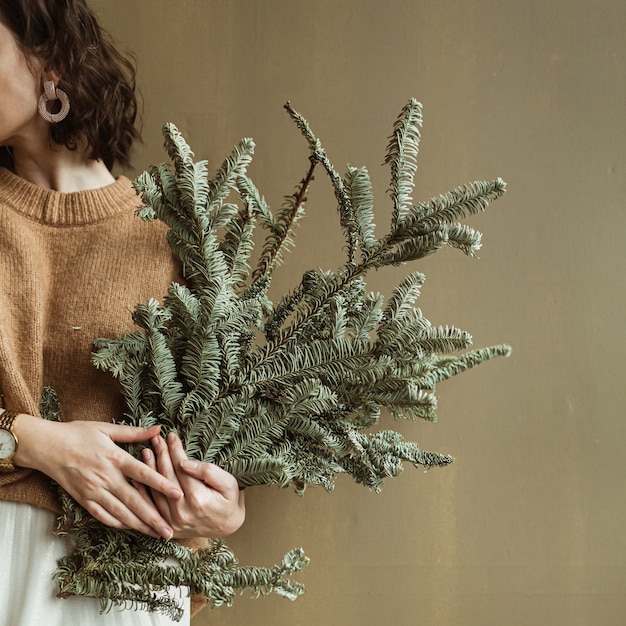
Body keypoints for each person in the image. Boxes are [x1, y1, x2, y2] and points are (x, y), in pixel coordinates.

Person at [0, 1, 245, 624]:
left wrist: (222, 513)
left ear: (49, 57)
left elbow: (211, 436)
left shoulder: (177, 235)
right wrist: (36, 443)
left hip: (130, 581)